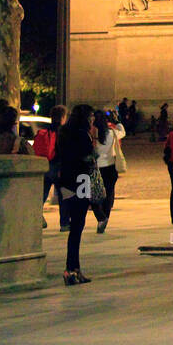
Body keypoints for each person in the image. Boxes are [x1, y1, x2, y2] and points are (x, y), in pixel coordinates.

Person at [56, 105, 98, 285]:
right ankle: (72, 269)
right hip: (80, 181)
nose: (93, 120)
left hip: (65, 181)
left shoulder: (64, 132)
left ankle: (72, 268)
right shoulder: (82, 135)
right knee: (77, 227)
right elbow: (89, 159)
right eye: (91, 117)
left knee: (73, 227)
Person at [33, 104, 67, 230]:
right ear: (63, 117)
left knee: (42, 195)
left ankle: (36, 218)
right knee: (63, 197)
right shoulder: (64, 132)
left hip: (46, 166)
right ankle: (64, 224)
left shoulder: (45, 131)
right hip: (59, 167)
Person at [93, 109, 126, 232]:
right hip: (110, 166)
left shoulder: (91, 133)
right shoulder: (112, 133)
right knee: (109, 193)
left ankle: (100, 216)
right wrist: (117, 121)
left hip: (96, 167)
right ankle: (105, 217)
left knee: (93, 194)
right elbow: (122, 132)